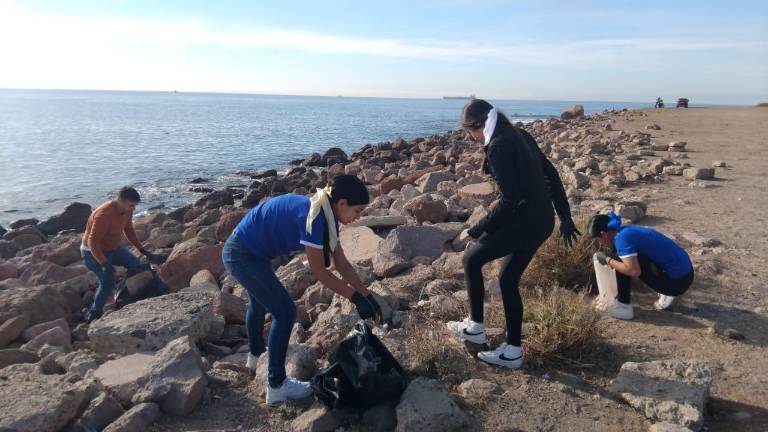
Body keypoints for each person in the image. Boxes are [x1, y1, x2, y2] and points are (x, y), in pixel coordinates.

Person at [222, 174, 382, 406]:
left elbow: (341, 263)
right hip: (241, 254)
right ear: (342, 203)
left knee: (258, 303)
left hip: (251, 251)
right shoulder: (316, 218)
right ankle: (277, 387)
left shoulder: (326, 213)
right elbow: (319, 271)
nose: (358, 217)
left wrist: (365, 294)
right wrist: (354, 297)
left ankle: (255, 359)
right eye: (357, 211)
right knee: (285, 312)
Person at [446, 99, 580, 369]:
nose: (469, 138)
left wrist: (477, 229)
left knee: (471, 259)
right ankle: (513, 351)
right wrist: (565, 217)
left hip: (527, 223)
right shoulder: (519, 134)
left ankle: (475, 327)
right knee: (507, 280)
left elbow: (510, 201)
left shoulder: (498, 146)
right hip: (542, 222)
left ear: (478, 126)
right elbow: (551, 174)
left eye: (468, 132)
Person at [588, 212, 694, 320]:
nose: (600, 243)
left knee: (621, 261)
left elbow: (633, 271)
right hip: (687, 275)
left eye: (598, 239)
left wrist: (607, 260)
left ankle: (624, 307)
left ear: (603, 234)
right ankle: (666, 292)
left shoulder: (621, 239)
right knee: (627, 258)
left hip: (676, 284)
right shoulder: (627, 231)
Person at [81, 187, 160, 321]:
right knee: (108, 281)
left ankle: (129, 296)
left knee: (137, 266)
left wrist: (143, 250)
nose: (133, 209)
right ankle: (94, 314)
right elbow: (92, 242)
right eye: (131, 205)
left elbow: (129, 230)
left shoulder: (126, 211)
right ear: (120, 201)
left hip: (113, 248)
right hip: (92, 252)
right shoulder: (104, 215)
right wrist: (104, 263)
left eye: (135, 206)